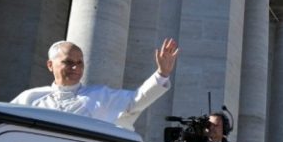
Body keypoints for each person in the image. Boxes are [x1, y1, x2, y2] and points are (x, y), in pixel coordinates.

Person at [12, 38, 179, 130]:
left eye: (80, 62)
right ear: (50, 65)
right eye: (68, 62)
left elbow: (135, 101)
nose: (76, 67)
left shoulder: (100, 96)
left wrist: (162, 74)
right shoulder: (30, 99)